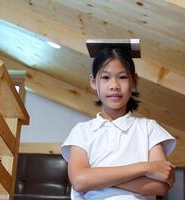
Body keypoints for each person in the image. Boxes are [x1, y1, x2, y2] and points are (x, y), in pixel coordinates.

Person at [61, 47, 177, 200]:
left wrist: (96, 177)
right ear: (93, 81)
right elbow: (80, 181)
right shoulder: (81, 131)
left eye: (122, 77)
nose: (114, 85)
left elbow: (160, 186)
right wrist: (146, 168)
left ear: (134, 81)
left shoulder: (149, 128)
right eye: (105, 77)